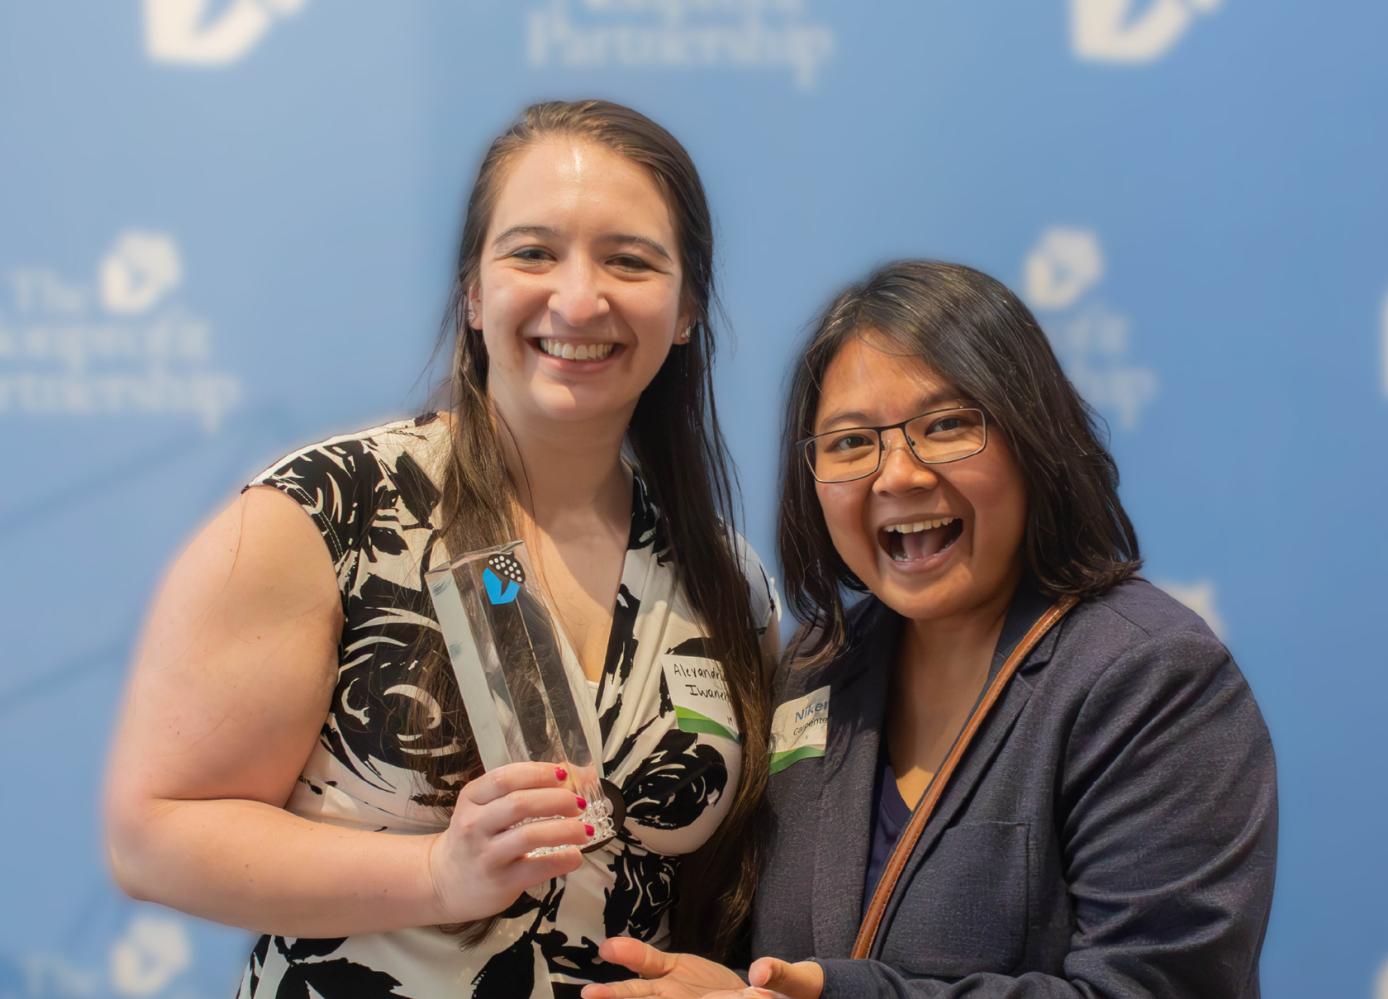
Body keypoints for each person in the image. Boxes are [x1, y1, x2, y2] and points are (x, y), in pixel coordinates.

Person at [104, 100, 778, 999]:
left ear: (687, 308)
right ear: (472, 292)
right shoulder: (328, 513)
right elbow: (151, 836)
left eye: (630, 260)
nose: (579, 298)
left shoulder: (728, 584)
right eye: (533, 252)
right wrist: (434, 873)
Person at [583, 261, 1277, 999]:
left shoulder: (1152, 676)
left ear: (1032, 436)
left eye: (946, 426)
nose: (897, 475)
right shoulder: (817, 667)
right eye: (851, 442)